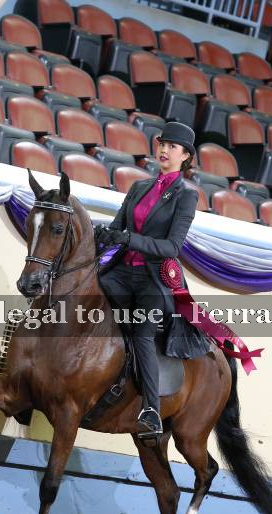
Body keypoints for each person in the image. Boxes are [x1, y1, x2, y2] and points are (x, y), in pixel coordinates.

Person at [97, 122, 200, 442]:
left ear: (185, 156)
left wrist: (130, 239)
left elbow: (172, 247)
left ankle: (151, 410)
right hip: (120, 272)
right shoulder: (139, 187)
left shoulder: (187, 195)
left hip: (152, 279)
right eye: (162, 144)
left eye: (172, 146)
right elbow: (117, 228)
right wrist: (103, 235)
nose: (164, 150)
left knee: (142, 333)